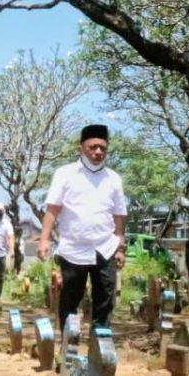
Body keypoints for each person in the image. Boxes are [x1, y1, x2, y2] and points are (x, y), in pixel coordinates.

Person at [38, 124, 128, 330]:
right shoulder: (65, 174)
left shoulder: (113, 178)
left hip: (105, 248)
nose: (98, 152)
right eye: (93, 147)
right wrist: (44, 239)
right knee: (70, 299)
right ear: (81, 149)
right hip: (73, 248)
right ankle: (68, 348)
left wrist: (120, 247)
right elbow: (52, 209)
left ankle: (100, 348)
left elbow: (119, 215)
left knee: (105, 299)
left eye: (103, 148)